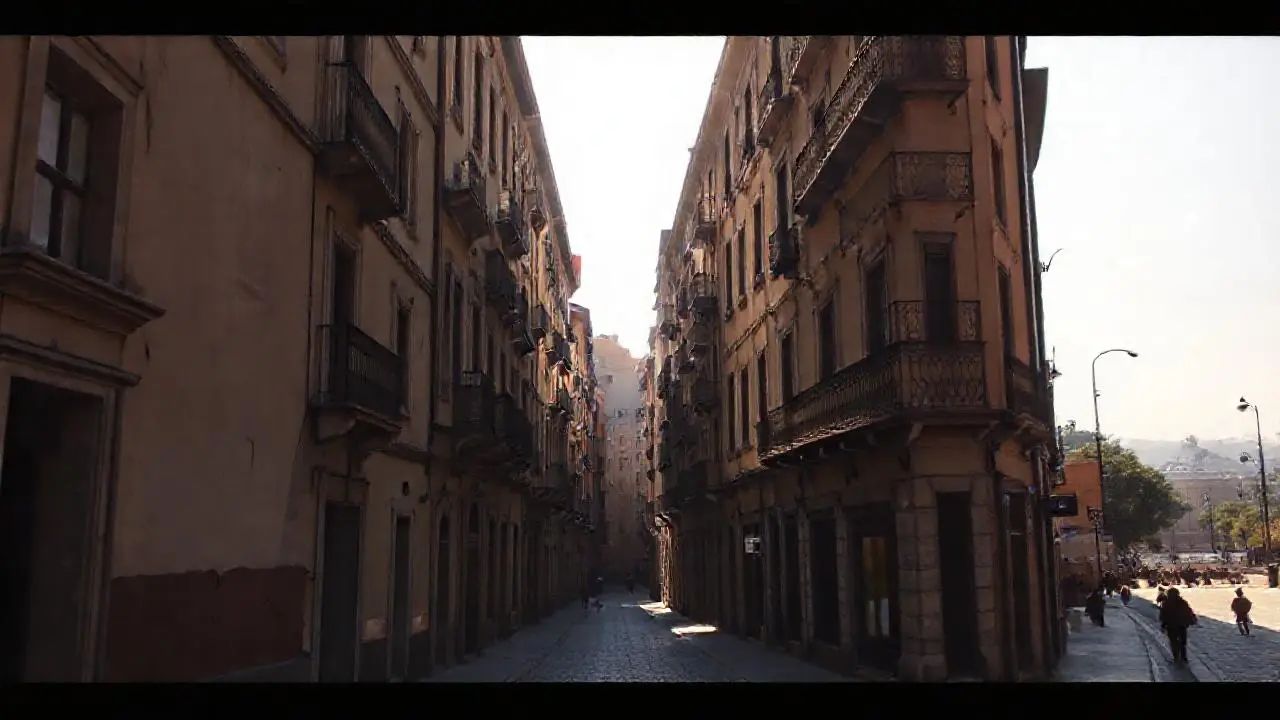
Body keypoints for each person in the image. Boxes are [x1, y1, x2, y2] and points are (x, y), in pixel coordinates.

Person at [1159, 587, 1197, 663]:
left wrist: (1163, 624)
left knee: (1173, 642)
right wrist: (1191, 619)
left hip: (1171, 626)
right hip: (1181, 625)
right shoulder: (1182, 602)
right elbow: (1188, 612)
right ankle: (1183, 657)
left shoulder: (1166, 603)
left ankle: (1176, 657)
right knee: (1182, 642)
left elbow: (1163, 615)